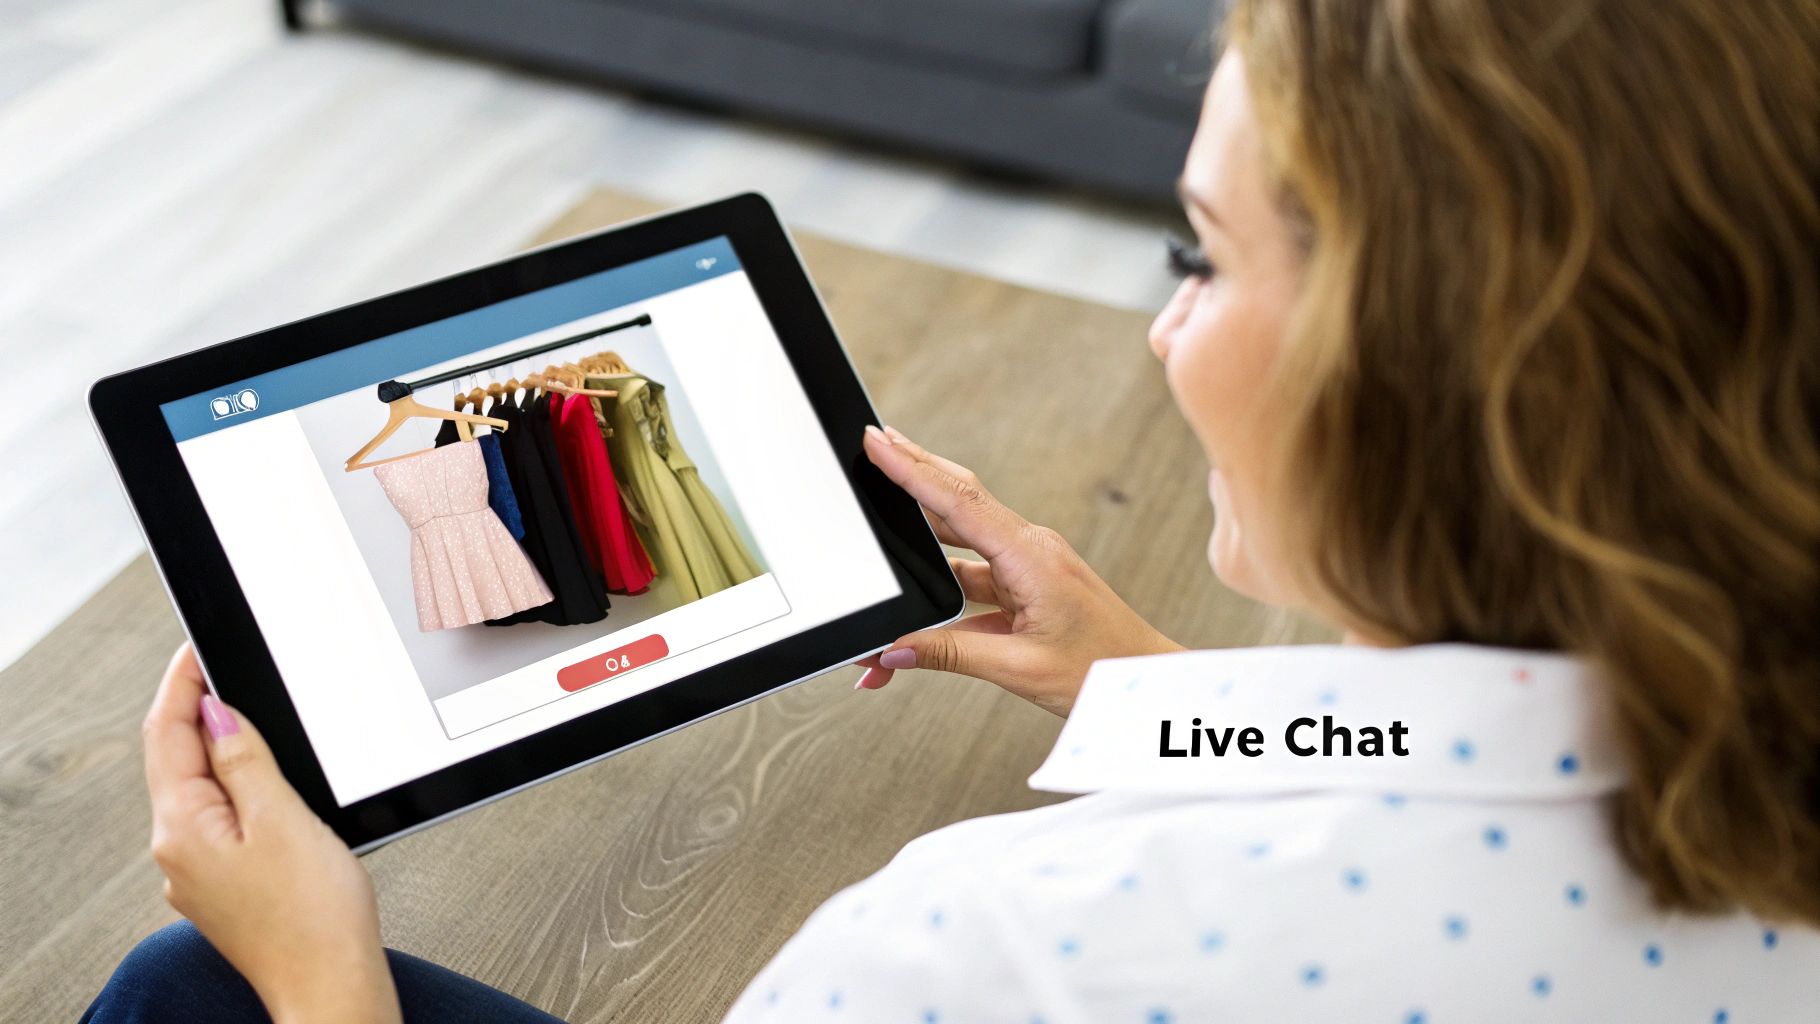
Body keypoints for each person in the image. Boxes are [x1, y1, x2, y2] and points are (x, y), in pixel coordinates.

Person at [85, 0, 1819, 1019]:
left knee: (184, 983)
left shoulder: (987, 946)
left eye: (1202, 255)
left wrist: (323, 986)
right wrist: (1146, 691)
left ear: (1424, 372)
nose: (1163, 329)